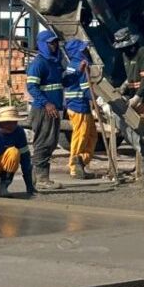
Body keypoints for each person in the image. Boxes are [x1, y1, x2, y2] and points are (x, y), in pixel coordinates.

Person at [114, 27, 144, 175]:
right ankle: (139, 164)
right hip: (133, 97)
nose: (123, 50)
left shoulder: (143, 53)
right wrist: (124, 87)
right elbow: (132, 76)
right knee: (135, 133)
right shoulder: (126, 56)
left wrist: (138, 96)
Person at [26, 29, 64, 190]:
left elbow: (62, 82)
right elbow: (32, 87)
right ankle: (41, 179)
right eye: (51, 43)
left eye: (56, 42)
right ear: (43, 44)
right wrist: (46, 103)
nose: (55, 45)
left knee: (51, 142)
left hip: (53, 109)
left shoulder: (54, 62)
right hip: (43, 110)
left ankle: (37, 177)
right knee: (43, 142)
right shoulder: (39, 63)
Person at [63, 39, 98, 180]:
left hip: (78, 106)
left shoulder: (72, 65)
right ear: (77, 52)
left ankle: (81, 161)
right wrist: (98, 101)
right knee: (81, 136)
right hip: (78, 107)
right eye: (82, 50)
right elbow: (86, 89)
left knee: (91, 136)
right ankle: (74, 166)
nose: (85, 51)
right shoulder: (81, 66)